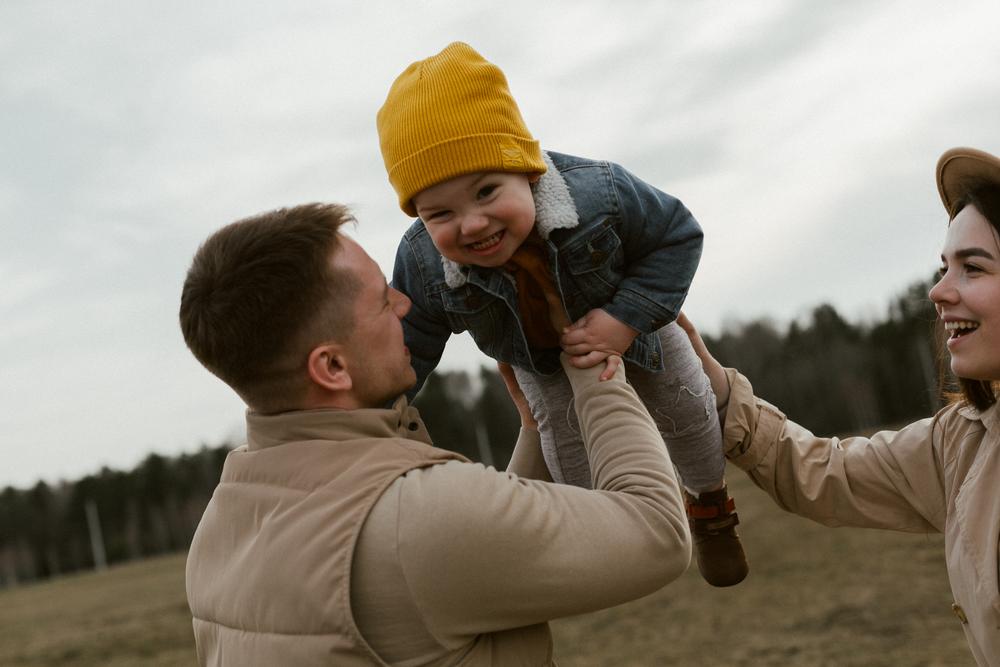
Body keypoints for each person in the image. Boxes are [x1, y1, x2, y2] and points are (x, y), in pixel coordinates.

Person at [179, 202, 692, 666]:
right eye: (382, 301)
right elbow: (656, 533)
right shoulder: (416, 517)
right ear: (332, 366)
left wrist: (538, 431)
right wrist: (593, 362)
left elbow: (447, 584)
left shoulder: (222, 527)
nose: (406, 307)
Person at [377, 41, 747, 586]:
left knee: (688, 416)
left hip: (637, 328)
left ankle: (709, 504)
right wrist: (374, 413)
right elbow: (410, 342)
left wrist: (622, 321)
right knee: (573, 461)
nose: (472, 224)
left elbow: (677, 235)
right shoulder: (423, 261)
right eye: (441, 213)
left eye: (485, 191)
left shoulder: (600, 193)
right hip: (543, 361)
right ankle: (605, 547)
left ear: (524, 169)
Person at [678, 146, 1000, 665]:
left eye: (973, 268)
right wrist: (711, 388)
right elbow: (825, 473)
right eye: (944, 267)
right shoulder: (962, 441)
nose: (938, 291)